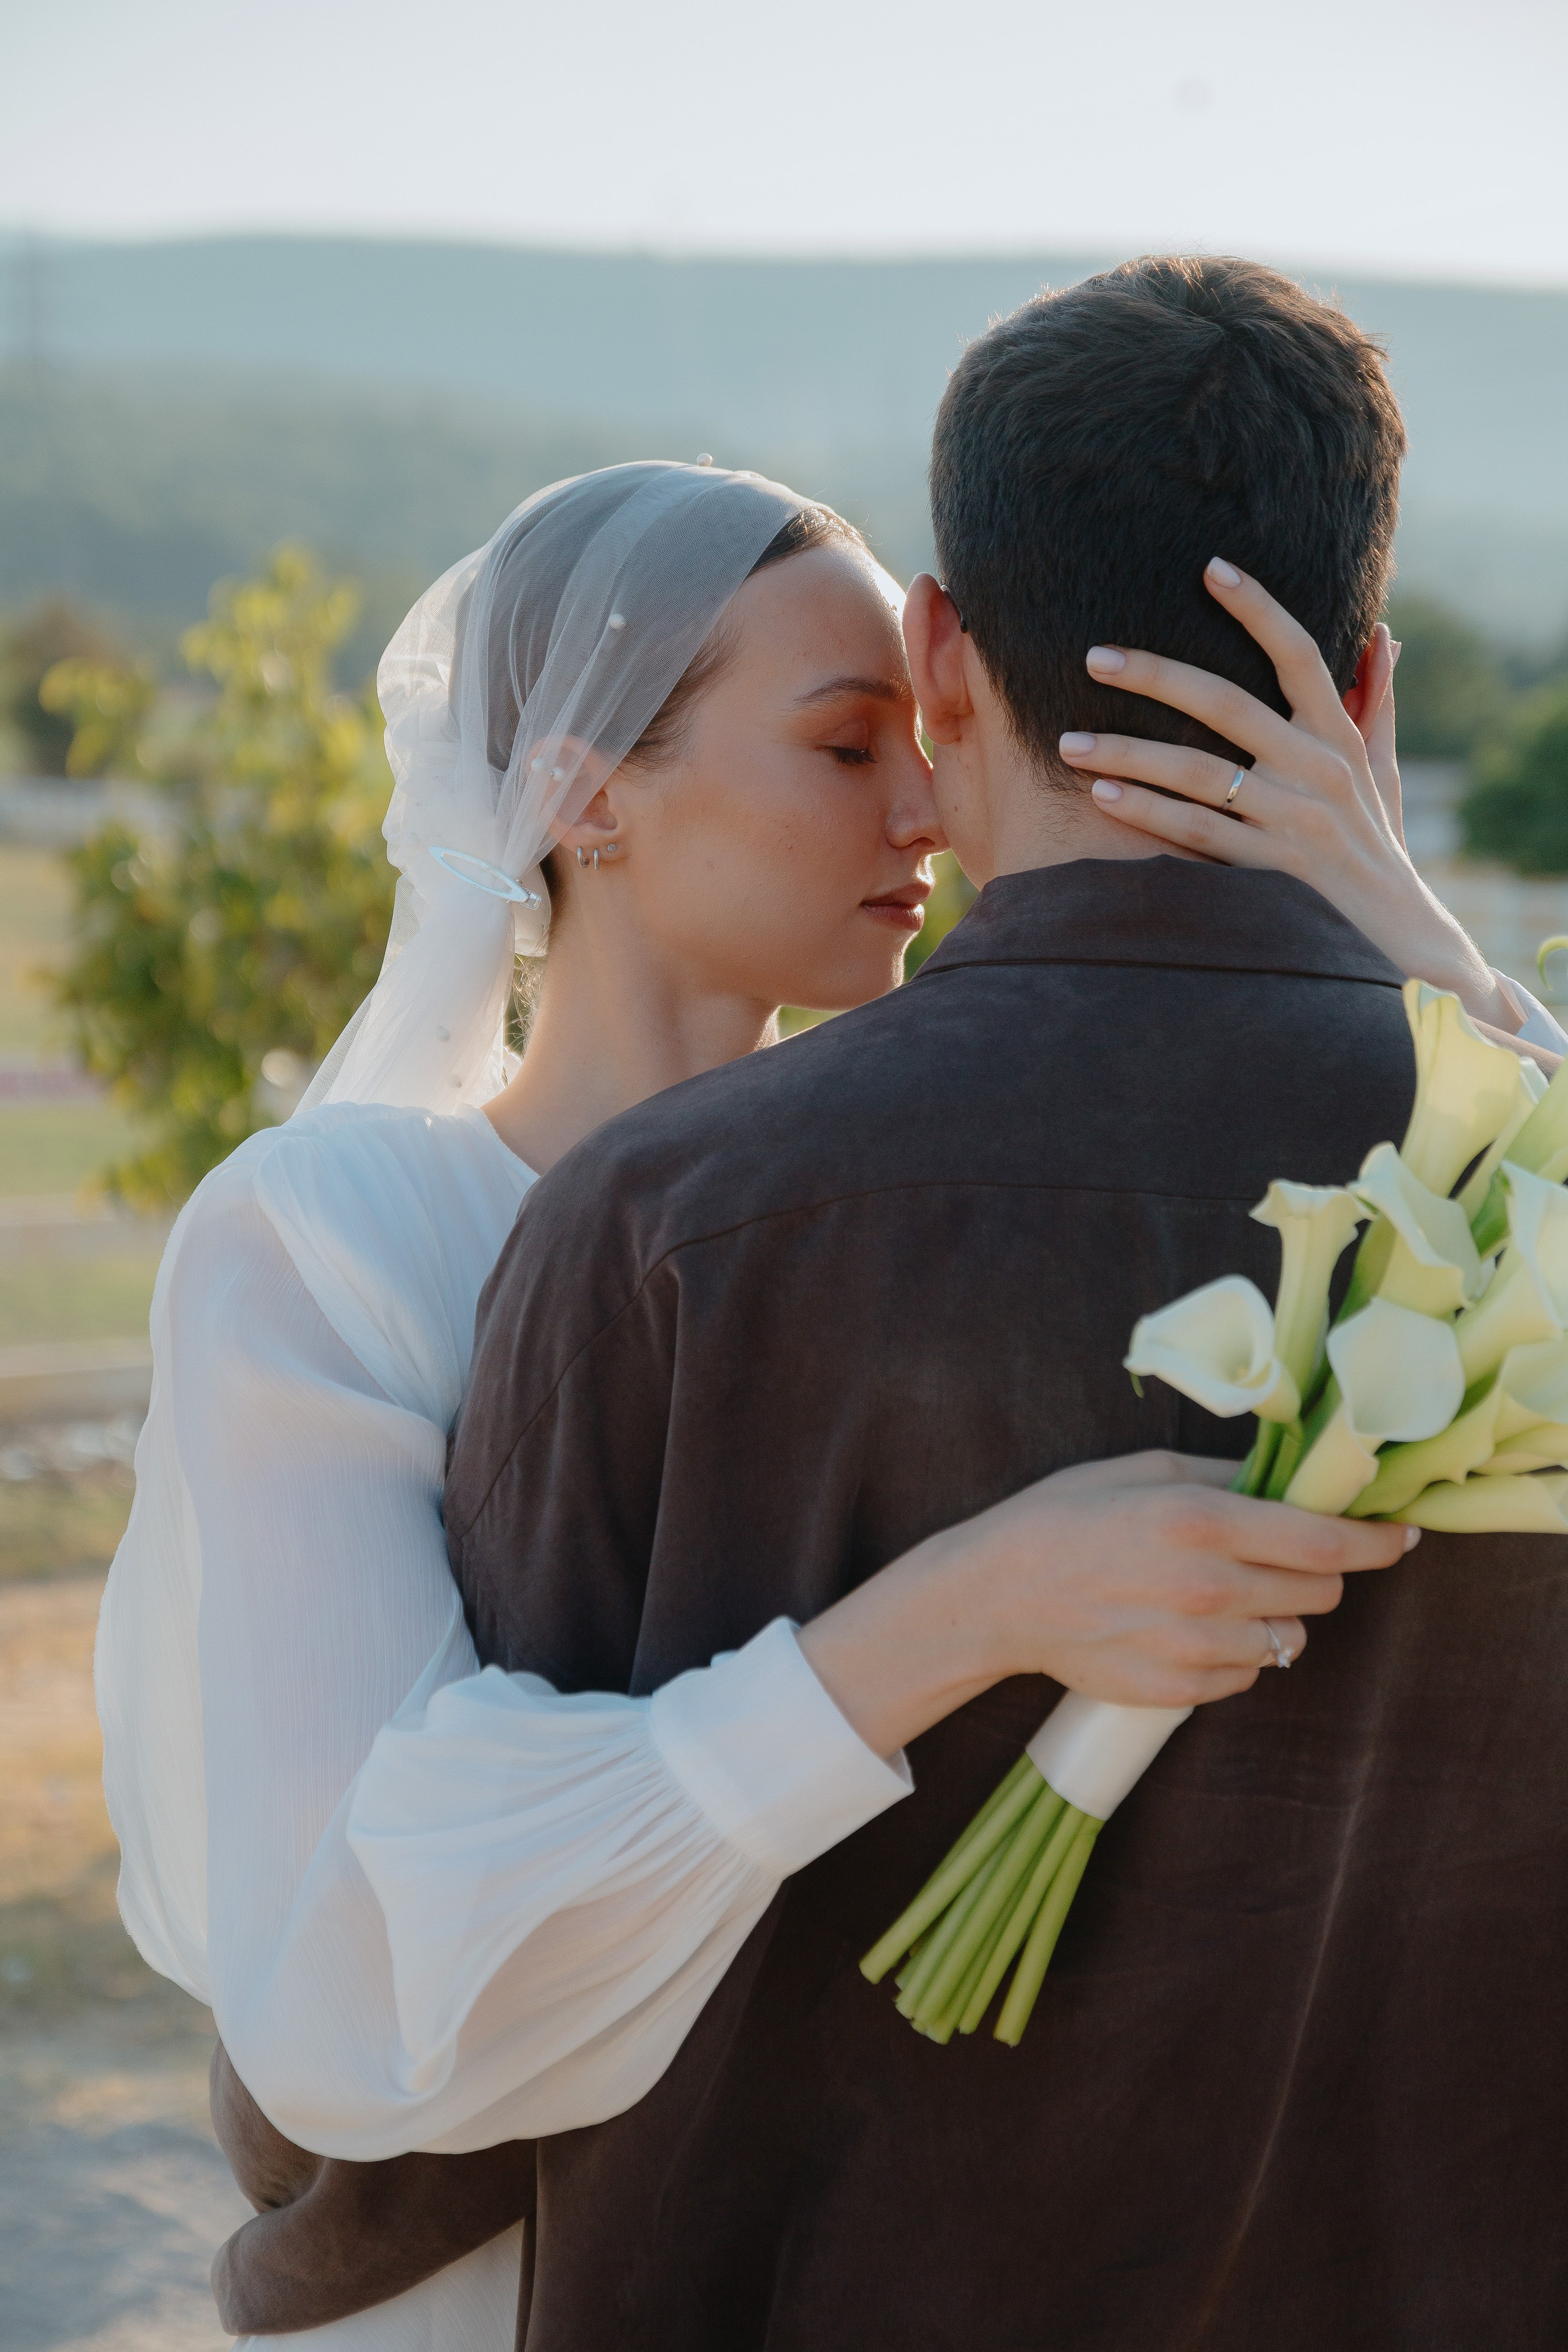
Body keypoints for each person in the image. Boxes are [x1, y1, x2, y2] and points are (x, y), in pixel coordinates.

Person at [97, 401, 1557, 2341]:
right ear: (588, 791)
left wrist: (1417, 944)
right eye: (845, 743)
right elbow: (353, 1978)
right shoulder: (329, 1236)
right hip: (510, 2262)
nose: (933, 814)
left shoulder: (900, 1198)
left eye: (927, 740)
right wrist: (971, 1607)